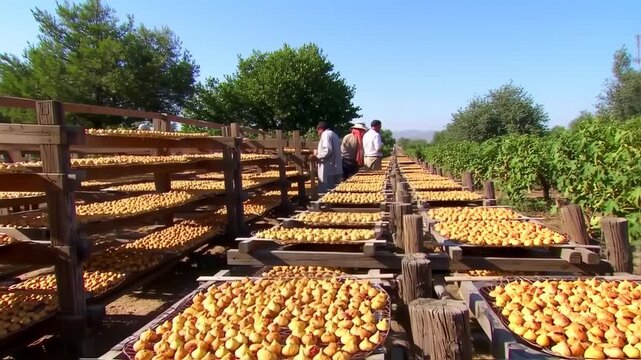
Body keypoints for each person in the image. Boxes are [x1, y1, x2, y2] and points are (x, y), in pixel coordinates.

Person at [313, 121, 342, 193]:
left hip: (327, 166)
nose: (318, 133)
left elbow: (328, 150)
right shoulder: (334, 134)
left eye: (318, 130)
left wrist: (317, 156)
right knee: (333, 189)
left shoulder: (326, 134)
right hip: (334, 166)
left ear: (321, 129)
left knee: (326, 190)